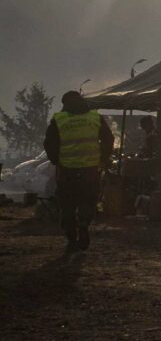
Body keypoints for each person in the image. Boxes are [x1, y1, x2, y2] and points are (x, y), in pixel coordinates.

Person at [44, 90, 114, 252]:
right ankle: (83, 225)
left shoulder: (59, 120)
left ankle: (70, 236)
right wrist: (102, 158)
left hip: (67, 171)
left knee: (67, 203)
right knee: (87, 200)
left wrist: (56, 160)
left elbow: (49, 143)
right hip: (90, 170)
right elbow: (108, 139)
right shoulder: (94, 118)